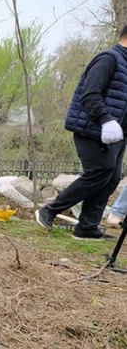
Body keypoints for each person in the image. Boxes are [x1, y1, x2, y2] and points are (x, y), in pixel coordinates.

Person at [35, 27, 127, 239]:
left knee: (112, 177)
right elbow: (90, 95)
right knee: (99, 171)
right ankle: (49, 210)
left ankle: (87, 227)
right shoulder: (108, 59)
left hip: (117, 135)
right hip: (92, 129)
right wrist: (106, 120)